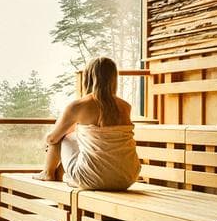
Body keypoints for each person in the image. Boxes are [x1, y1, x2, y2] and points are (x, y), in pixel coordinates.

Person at [37, 56, 141, 190]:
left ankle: (48, 173)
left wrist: (47, 139)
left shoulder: (78, 106)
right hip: (127, 178)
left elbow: (52, 139)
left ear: (88, 77)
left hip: (92, 178)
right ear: (113, 78)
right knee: (83, 139)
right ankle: (57, 173)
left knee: (62, 137)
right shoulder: (125, 106)